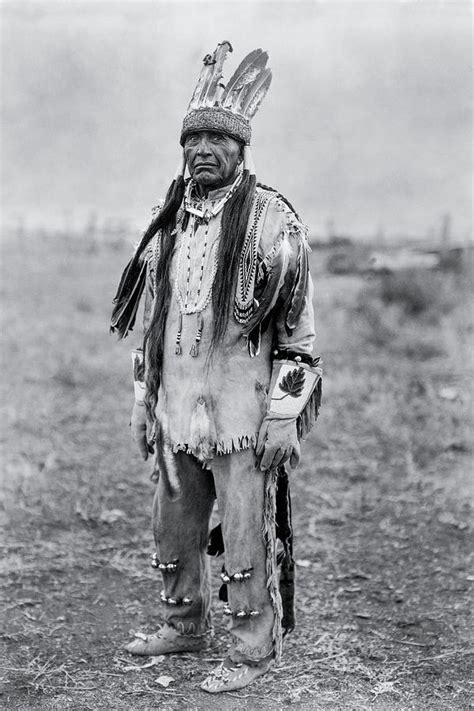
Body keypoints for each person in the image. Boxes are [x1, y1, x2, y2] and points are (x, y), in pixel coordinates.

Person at [111, 41, 322, 693]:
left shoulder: (270, 220)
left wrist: (284, 415)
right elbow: (151, 325)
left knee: (242, 533)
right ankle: (184, 623)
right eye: (192, 137)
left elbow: (300, 336)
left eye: (215, 138)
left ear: (240, 147)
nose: (202, 148)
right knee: (172, 525)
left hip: (241, 414)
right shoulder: (169, 222)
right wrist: (146, 400)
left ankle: (253, 649)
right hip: (177, 411)